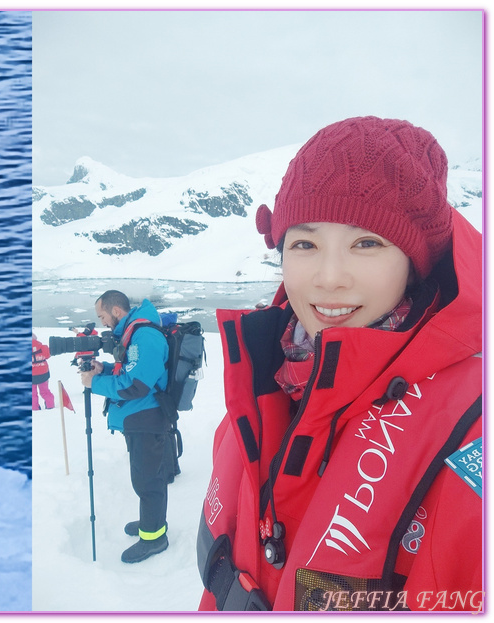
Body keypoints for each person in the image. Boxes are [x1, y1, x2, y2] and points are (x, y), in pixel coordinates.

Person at [196, 117, 481, 611]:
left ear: (414, 264)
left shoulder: (473, 433)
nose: (328, 278)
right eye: (304, 243)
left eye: (366, 243)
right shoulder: (264, 382)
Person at [79, 290, 172, 563]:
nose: (103, 322)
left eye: (103, 316)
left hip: (148, 417)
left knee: (147, 481)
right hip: (139, 418)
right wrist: (104, 369)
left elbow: (137, 384)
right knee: (145, 478)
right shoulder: (135, 334)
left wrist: (94, 384)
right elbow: (130, 369)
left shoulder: (146, 336)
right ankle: (151, 523)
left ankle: (154, 538)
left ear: (116, 311)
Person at [32, 333, 55, 411]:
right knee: (45, 391)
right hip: (43, 373)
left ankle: (34, 408)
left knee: (32, 393)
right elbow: (48, 355)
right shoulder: (43, 347)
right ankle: (50, 405)